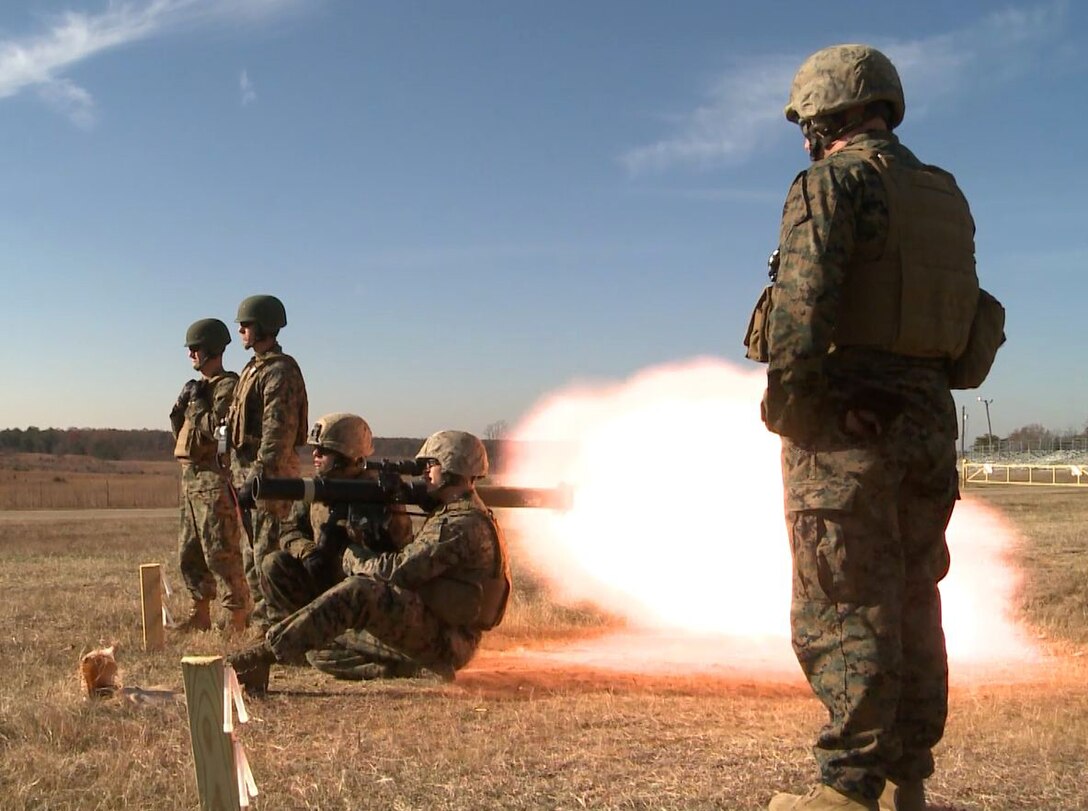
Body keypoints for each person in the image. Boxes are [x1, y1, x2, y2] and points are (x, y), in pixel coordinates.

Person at [747, 45, 983, 811]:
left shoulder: (832, 183)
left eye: (807, 122)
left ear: (826, 115)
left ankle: (847, 790)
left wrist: (800, 413)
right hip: (927, 421)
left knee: (843, 600)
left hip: (852, 421)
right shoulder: (942, 194)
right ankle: (909, 777)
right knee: (914, 596)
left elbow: (801, 312)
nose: (804, 137)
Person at [228, 430, 512, 693]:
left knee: (361, 591)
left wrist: (348, 554)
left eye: (432, 465)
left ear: (453, 468)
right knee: (319, 653)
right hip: (442, 630)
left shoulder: (459, 524)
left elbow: (396, 571)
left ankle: (261, 657)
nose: (425, 472)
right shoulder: (458, 513)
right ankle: (405, 668)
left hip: (448, 642)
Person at [260, 412, 413, 623]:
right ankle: (288, 629)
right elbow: (289, 529)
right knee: (273, 563)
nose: (315, 454)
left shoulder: (377, 493)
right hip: (323, 576)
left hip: (361, 589)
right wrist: (308, 551)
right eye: (315, 448)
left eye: (323, 450)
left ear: (347, 456)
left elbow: (400, 551)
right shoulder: (316, 489)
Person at [226, 294, 309, 630]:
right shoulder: (254, 369)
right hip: (249, 475)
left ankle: (275, 627)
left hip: (270, 481)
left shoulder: (280, 371)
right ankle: (263, 623)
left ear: (263, 327)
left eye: (246, 325)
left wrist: (258, 478)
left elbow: (278, 433)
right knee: (251, 554)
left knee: (267, 554)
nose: (240, 331)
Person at [168, 319, 252, 632]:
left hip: (214, 479)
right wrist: (181, 405)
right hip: (190, 478)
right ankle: (200, 613)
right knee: (189, 552)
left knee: (221, 551)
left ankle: (236, 617)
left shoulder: (227, 386)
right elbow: (182, 433)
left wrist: (197, 403)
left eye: (196, 348)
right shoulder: (200, 388)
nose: (191, 354)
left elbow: (218, 432)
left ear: (212, 349)